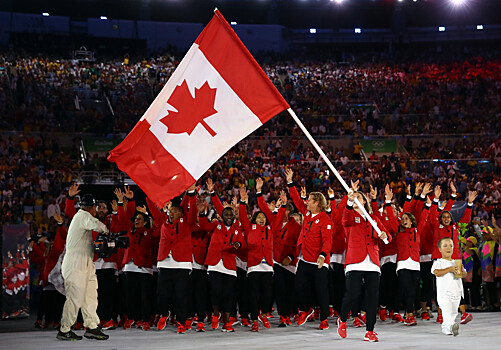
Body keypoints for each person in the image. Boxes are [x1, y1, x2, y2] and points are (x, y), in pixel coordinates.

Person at [337, 181, 390, 343]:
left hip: (373, 261)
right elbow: (344, 219)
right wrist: (349, 200)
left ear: (365, 201)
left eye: (360, 197)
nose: (357, 199)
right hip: (355, 260)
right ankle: (343, 319)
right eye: (355, 197)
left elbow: (387, 235)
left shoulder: (373, 219)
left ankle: (370, 330)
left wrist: (384, 236)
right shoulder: (350, 216)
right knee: (352, 293)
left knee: (372, 297)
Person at [57, 194, 110, 341]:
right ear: (92, 207)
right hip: (75, 262)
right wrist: (106, 230)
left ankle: (92, 327)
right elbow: (96, 225)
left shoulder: (82, 217)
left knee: (90, 296)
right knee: (74, 297)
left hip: (86, 261)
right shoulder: (82, 216)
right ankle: (65, 329)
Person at [285, 169, 333, 331]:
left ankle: (324, 318)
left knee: (321, 291)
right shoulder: (306, 212)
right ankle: (307, 309)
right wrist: (290, 182)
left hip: (319, 260)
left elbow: (327, 240)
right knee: (299, 285)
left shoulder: (326, 220)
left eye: (310, 200)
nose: (306, 202)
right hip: (305, 258)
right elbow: (297, 199)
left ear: (317, 203)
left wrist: (323, 255)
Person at [431, 237, 466, 336]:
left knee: (453, 312)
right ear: (440, 249)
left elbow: (464, 275)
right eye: (445, 246)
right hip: (444, 293)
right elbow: (437, 272)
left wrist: (462, 271)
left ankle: (446, 326)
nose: (448, 248)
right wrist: (449, 269)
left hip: (456, 293)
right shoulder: (438, 262)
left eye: (450, 246)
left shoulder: (456, 262)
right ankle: (451, 327)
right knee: (446, 311)